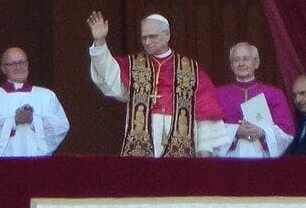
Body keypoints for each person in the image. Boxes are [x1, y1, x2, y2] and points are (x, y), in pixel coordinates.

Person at [86, 11, 225, 157]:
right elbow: (108, 75)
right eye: (144, 37)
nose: (147, 42)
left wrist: (204, 151)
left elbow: (206, 113)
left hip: (182, 150)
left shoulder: (193, 71)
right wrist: (100, 42)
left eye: (152, 36)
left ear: (167, 35)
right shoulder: (133, 66)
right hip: (140, 148)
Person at [0, 47, 70, 157]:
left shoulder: (47, 96)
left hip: (38, 162)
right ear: (3, 68)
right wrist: (13, 121)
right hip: (2, 164)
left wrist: (32, 120)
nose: (18, 67)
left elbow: (61, 126)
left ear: (27, 65)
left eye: (22, 62)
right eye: (12, 64)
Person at [212, 42, 294, 158]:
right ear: (231, 66)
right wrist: (235, 131)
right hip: (229, 160)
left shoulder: (274, 94)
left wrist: (262, 132)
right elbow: (210, 129)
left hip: (263, 160)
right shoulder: (218, 94)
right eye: (236, 60)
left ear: (256, 63)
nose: (241, 63)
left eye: (246, 59)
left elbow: (287, 131)